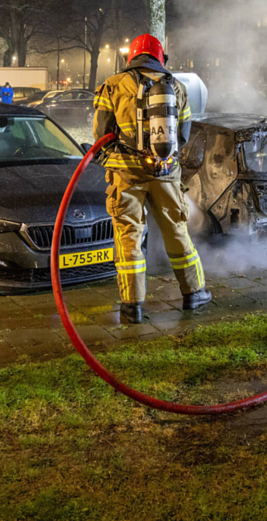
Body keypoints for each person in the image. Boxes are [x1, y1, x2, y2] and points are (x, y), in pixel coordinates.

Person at [93, 33, 211, 323]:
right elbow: (182, 136)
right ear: (161, 58)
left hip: (126, 174)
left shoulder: (112, 86)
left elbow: (101, 133)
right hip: (166, 173)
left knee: (129, 237)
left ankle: (132, 307)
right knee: (176, 231)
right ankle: (194, 293)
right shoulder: (177, 88)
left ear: (130, 57)